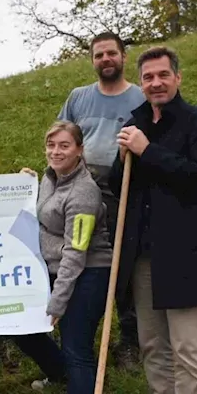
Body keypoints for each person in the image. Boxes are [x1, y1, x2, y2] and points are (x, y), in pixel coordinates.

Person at [109, 46, 197, 394]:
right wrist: (124, 161)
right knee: (153, 345)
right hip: (143, 254)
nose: (155, 83)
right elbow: (123, 188)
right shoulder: (133, 122)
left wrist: (147, 150)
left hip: (185, 255)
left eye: (163, 75)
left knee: (188, 349)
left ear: (177, 78)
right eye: (148, 77)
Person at [18, 122, 114, 394]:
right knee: (24, 330)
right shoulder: (50, 177)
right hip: (51, 270)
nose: (56, 152)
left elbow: (76, 252)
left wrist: (58, 302)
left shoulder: (85, 192)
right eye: (51, 145)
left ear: (79, 150)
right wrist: (22, 184)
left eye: (64, 146)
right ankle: (59, 374)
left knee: (77, 348)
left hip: (88, 274)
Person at [57, 32, 146, 368]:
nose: (106, 59)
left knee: (120, 262)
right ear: (92, 61)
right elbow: (61, 138)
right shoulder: (79, 98)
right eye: (99, 55)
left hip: (123, 189)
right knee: (77, 257)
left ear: (123, 56)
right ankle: (77, 338)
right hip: (80, 187)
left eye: (111, 53)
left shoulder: (139, 97)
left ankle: (128, 340)